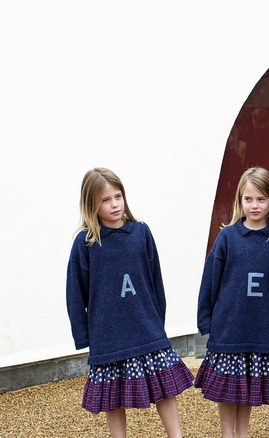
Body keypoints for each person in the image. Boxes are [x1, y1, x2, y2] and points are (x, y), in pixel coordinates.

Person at [66, 167, 193, 438]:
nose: (114, 204)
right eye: (105, 200)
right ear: (91, 203)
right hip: (107, 335)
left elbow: (155, 280)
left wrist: (158, 322)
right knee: (113, 398)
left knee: (165, 389)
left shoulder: (141, 233)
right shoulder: (86, 243)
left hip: (147, 328)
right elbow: (75, 293)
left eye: (118, 196)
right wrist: (84, 336)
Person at [195, 167, 269, 438]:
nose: (254, 205)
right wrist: (206, 321)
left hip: (258, 330)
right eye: (248, 199)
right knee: (228, 391)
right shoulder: (228, 237)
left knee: (246, 390)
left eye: (261, 199)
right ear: (240, 199)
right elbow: (210, 281)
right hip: (228, 329)